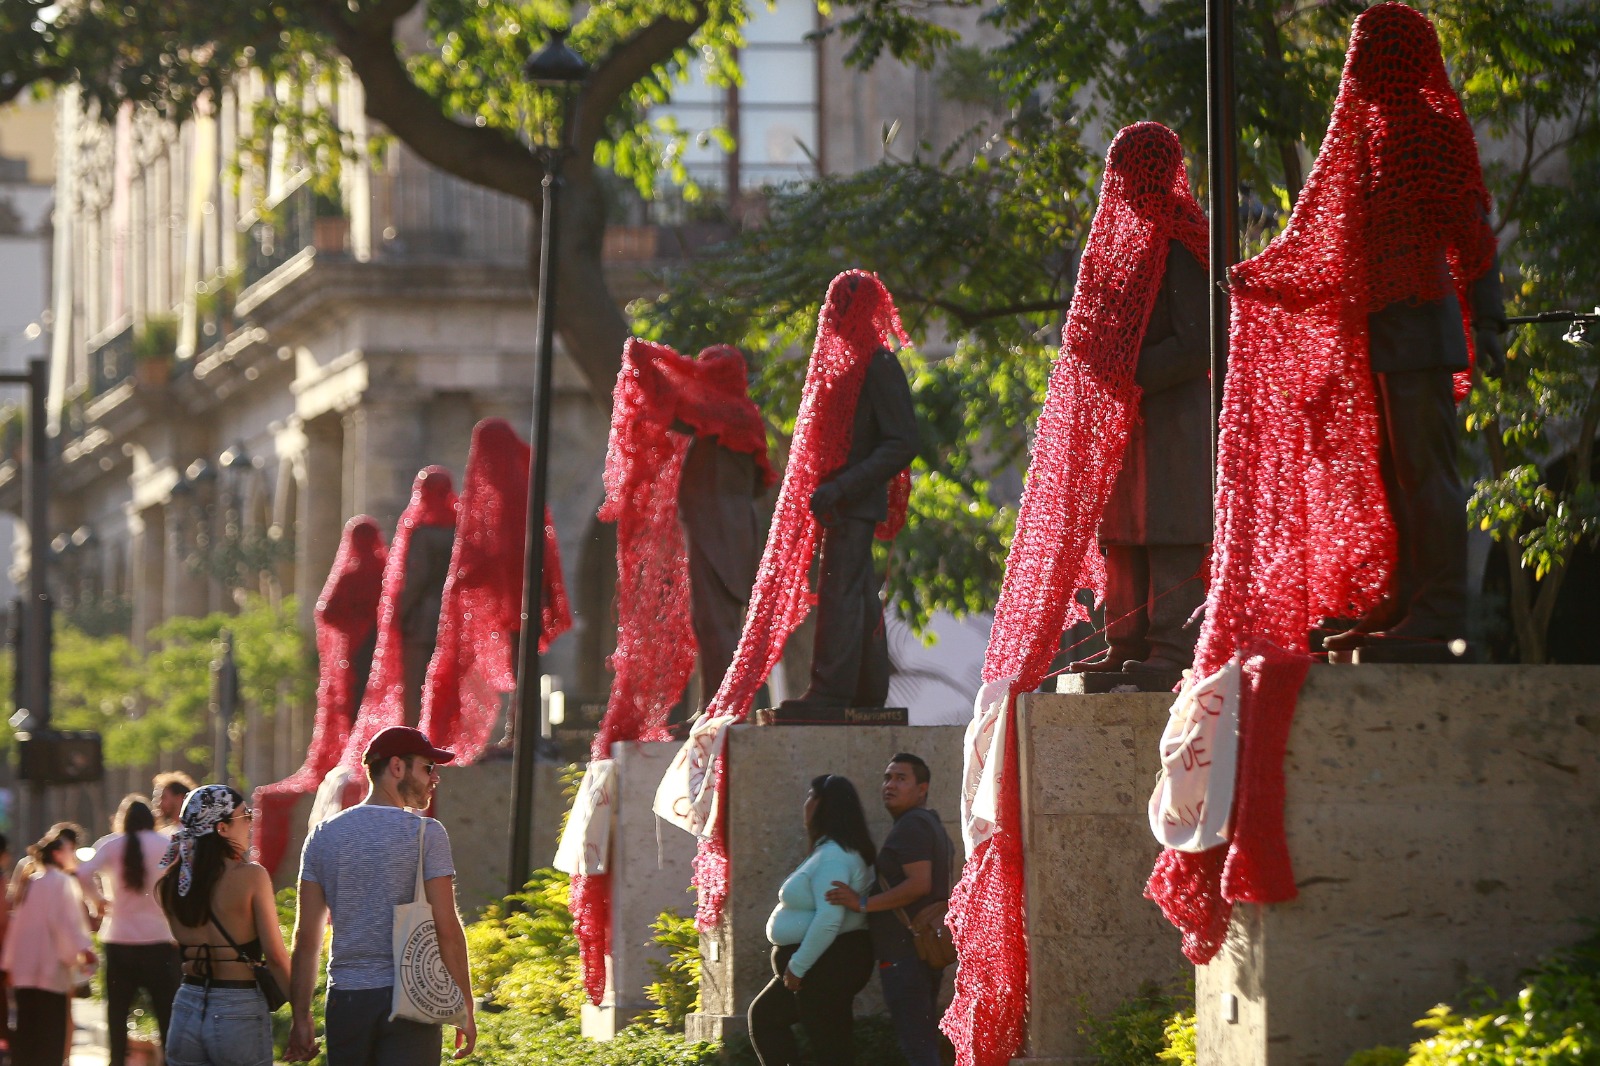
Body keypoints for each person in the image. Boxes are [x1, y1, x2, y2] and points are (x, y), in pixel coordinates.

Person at [1049, 122, 1212, 678]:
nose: (1123, 180)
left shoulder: (1183, 239)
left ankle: (1172, 644)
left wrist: (1128, 370)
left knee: (1168, 528)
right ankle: (1126, 640)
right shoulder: (1114, 248)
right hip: (1124, 421)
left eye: (1133, 167)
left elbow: (1200, 341)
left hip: (1171, 419)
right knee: (1121, 534)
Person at [287, 726, 475, 1065]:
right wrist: (465, 1006)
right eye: (427, 768)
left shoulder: (323, 836)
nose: (434, 778)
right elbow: (446, 926)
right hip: (411, 997)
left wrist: (301, 1017)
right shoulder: (425, 833)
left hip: (346, 1001)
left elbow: (306, 938)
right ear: (397, 767)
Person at [782, 272, 921, 714]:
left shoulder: (879, 364)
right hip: (840, 500)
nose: (836, 313)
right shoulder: (843, 366)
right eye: (834, 303)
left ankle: (830, 692)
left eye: (845, 304)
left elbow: (902, 441)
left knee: (842, 593)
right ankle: (866, 691)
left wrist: (843, 485)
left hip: (856, 500)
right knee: (858, 595)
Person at [826, 754, 953, 1066]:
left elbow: (918, 884)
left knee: (917, 1045)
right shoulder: (929, 824)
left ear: (922, 789)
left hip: (905, 954)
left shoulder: (912, 826)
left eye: (900, 778)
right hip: (920, 949)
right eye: (887, 778)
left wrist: (863, 903)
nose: (890, 785)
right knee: (922, 1041)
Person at [155, 785, 291, 1066]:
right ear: (222, 828)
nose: (251, 822)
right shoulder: (251, 876)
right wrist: (301, 1015)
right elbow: (276, 957)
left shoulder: (170, 884)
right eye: (246, 815)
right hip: (237, 1006)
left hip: (186, 1005)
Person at [747, 774, 876, 1066]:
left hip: (827, 965)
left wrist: (797, 966)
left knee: (829, 1045)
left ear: (822, 805)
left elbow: (829, 919)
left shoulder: (834, 856)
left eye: (809, 796)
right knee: (768, 1017)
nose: (804, 803)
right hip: (823, 966)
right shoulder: (829, 851)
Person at [79, 797, 184, 1066]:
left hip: (120, 941)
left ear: (122, 820)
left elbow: (82, 873)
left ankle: (116, 1061)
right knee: (166, 1013)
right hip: (160, 941)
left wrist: (98, 903)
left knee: (117, 1013)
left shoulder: (110, 844)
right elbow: (185, 879)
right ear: (152, 819)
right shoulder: (167, 844)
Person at [0, 822, 96, 1066]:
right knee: (50, 1035)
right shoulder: (63, 883)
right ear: (57, 854)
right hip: (50, 972)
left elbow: (18, 925)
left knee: (26, 1033)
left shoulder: (31, 881)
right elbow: (68, 924)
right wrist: (82, 952)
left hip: (24, 973)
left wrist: (9, 963)